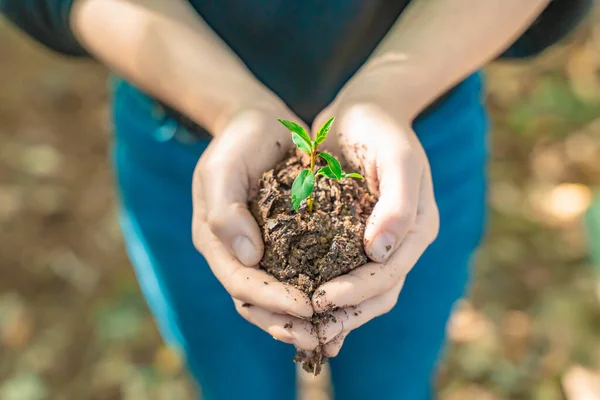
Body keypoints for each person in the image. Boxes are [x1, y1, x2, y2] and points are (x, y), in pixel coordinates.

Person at [1, 0, 592, 398]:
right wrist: (231, 107)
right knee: (233, 378)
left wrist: (388, 92)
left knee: (396, 376)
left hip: (418, 136)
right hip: (184, 138)